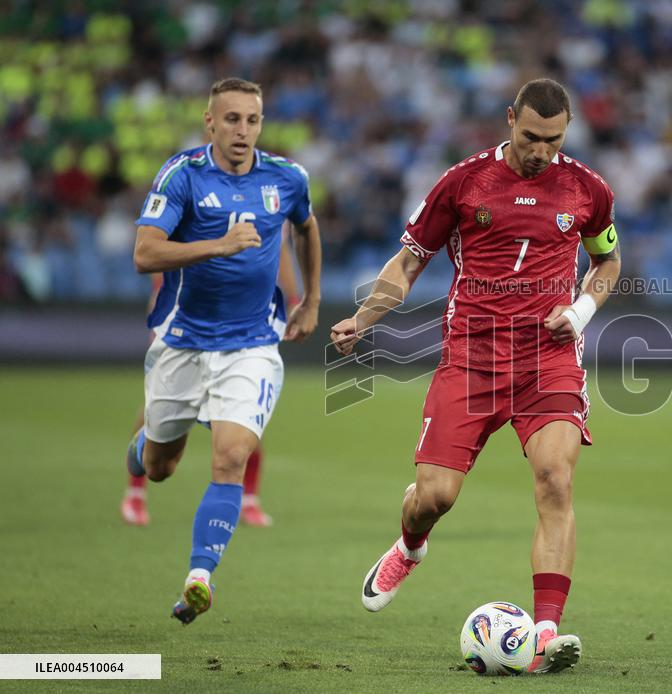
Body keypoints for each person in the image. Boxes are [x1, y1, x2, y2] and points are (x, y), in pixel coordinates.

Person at [331, 78, 621, 674]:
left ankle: (544, 633)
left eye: (554, 139)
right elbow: (411, 259)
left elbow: (606, 259)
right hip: (471, 358)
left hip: (548, 357)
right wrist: (364, 316)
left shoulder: (588, 189)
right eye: (531, 136)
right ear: (509, 118)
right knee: (434, 497)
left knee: (555, 480)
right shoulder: (464, 182)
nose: (541, 150)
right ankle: (410, 546)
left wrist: (582, 310)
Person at [126, 77, 322, 624]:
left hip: (253, 344)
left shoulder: (286, 178)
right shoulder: (182, 175)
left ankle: (199, 576)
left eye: (252, 120)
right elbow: (144, 254)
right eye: (231, 119)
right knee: (160, 466)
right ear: (209, 122)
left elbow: (306, 227)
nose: (242, 130)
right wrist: (220, 244)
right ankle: (142, 446)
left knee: (232, 455)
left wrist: (310, 301)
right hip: (183, 344)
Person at [120, 228, 301, 528]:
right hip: (184, 314)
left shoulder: (270, 189)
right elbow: (154, 246)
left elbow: (281, 247)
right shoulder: (187, 184)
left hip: (242, 317)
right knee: (159, 407)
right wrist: (161, 292)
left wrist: (294, 300)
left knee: (246, 406)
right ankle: (135, 491)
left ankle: (249, 497)